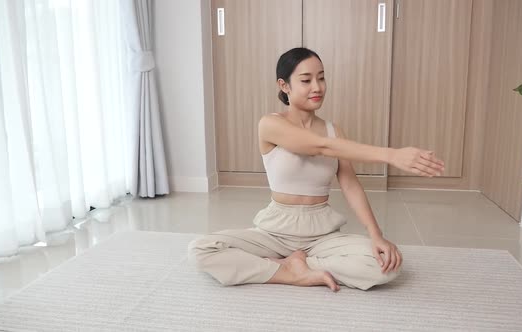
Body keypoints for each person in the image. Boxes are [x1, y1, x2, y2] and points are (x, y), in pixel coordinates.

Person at [188, 47, 445, 292]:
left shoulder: (334, 131)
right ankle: (288, 271)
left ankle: (298, 265)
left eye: (321, 78)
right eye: (306, 80)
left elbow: (350, 183)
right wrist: (392, 155)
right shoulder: (270, 124)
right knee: (202, 249)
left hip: (322, 234)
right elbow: (319, 147)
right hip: (275, 231)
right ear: (284, 85)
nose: (317, 87)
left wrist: (376, 235)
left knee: (386, 267)